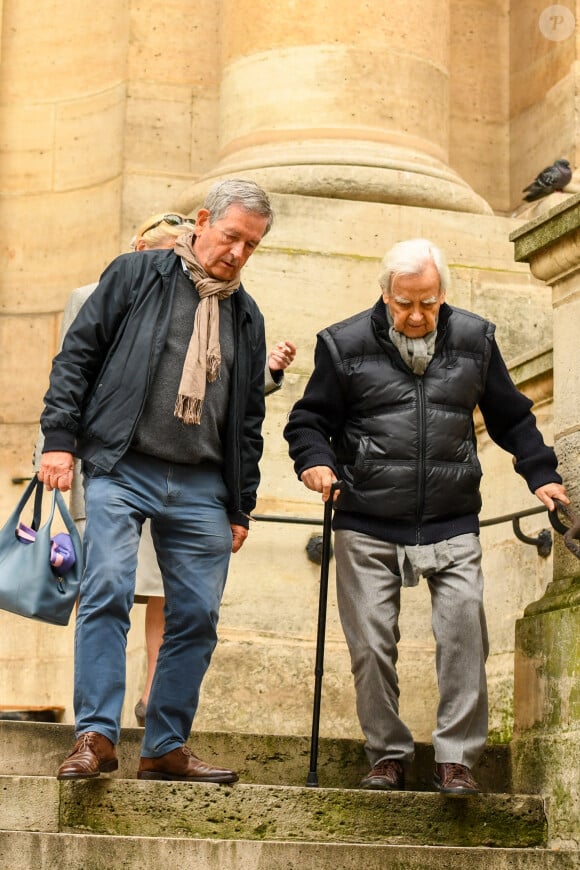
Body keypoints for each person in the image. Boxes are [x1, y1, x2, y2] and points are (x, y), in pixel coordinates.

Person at [284, 238, 569, 796]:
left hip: (451, 515)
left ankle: (457, 759)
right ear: (385, 295)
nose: (416, 316)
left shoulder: (475, 339)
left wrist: (542, 474)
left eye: (429, 303)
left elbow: (512, 418)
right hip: (366, 515)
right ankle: (387, 755)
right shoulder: (342, 344)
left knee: (465, 634)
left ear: (444, 296)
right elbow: (307, 422)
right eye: (404, 304)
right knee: (370, 645)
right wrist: (316, 463)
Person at [39, 178, 274, 783]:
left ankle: (166, 746)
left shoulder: (245, 315)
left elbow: (248, 418)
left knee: (196, 615)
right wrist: (61, 441)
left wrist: (241, 505)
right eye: (231, 238)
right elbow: (78, 356)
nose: (238, 254)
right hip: (122, 464)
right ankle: (94, 737)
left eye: (252, 245)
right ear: (202, 221)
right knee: (108, 589)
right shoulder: (135, 276)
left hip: (202, 485)